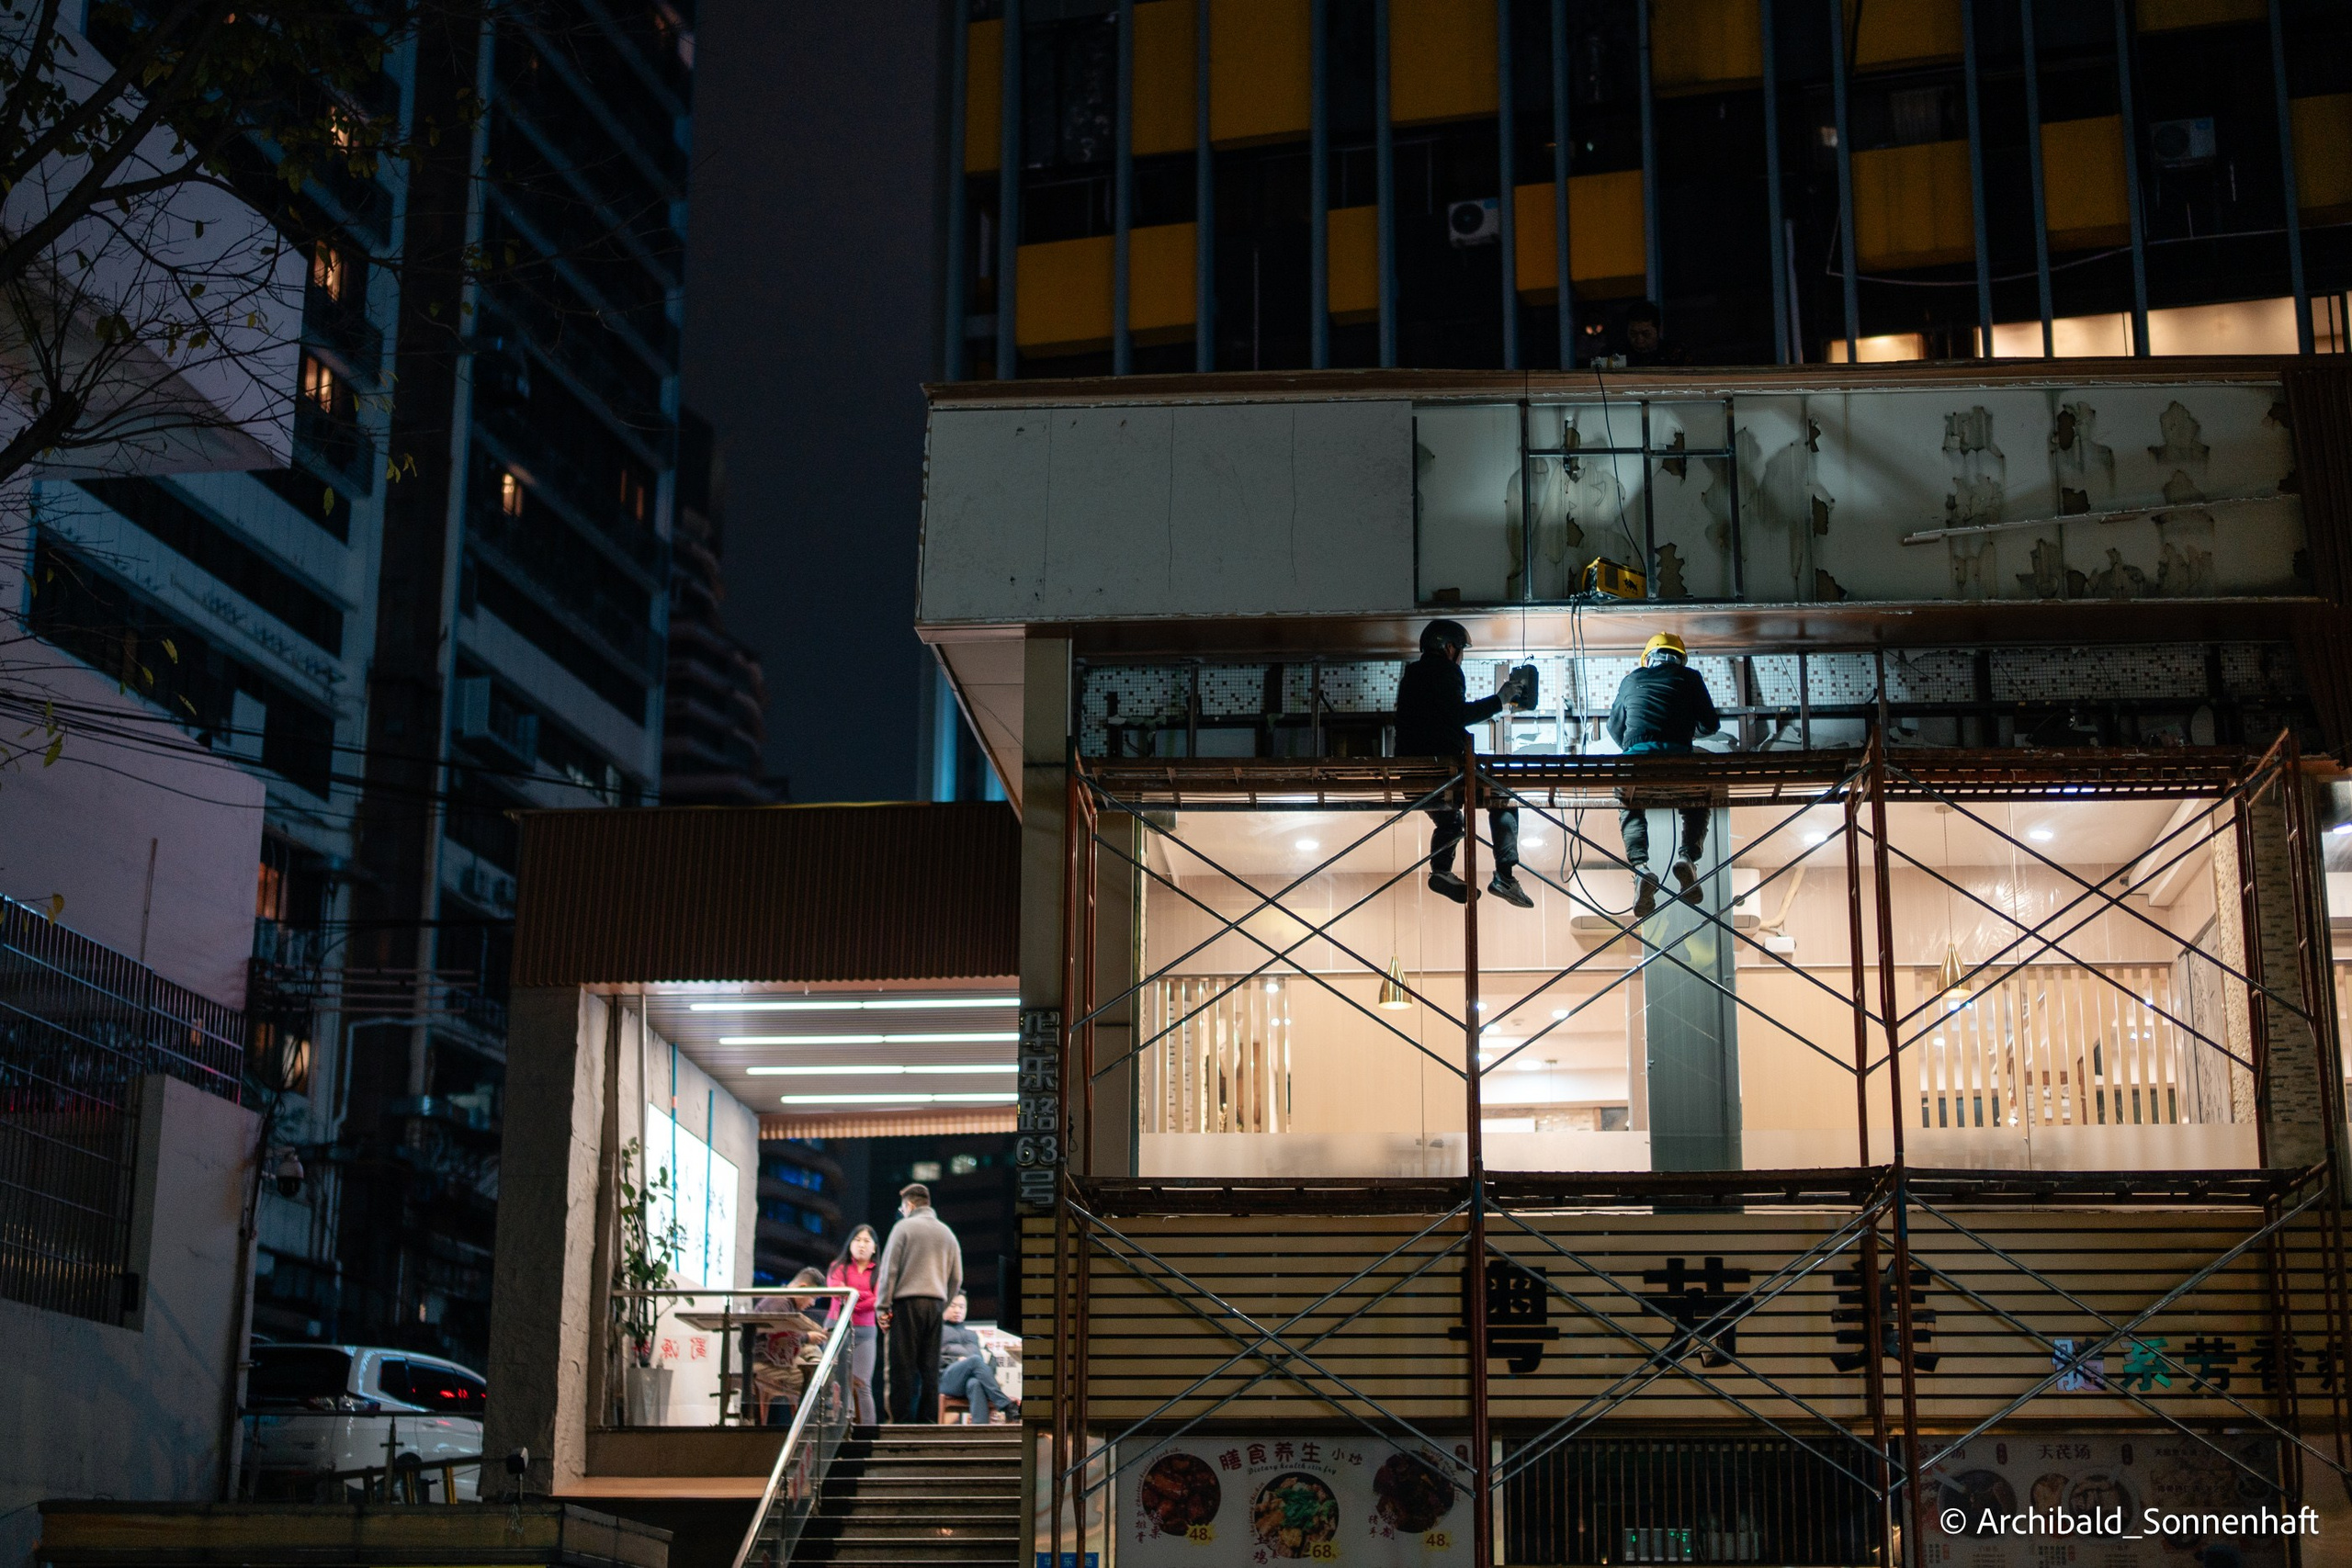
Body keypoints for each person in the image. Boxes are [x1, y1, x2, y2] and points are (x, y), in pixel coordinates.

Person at [1395, 618, 1536, 908]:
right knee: (1502, 796)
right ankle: (1505, 876)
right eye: (1460, 650)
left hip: (1410, 775)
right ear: (1448, 647)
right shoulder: (1446, 671)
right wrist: (1501, 699)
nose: (1460, 656)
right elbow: (1458, 715)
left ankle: (1442, 871)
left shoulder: (1410, 675)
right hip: (1442, 770)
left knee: (1451, 821)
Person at [1607, 631, 1722, 919]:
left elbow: (1614, 727)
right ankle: (1688, 858)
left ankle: (1641, 868)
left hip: (1637, 764)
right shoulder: (1691, 678)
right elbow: (1711, 724)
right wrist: (1684, 732)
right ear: (1680, 659)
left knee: (1629, 806)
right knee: (1698, 801)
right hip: (1679, 762)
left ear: (1648, 659)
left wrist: (1636, 745)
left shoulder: (1631, 679)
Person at [875, 1182, 963, 1424]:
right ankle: (928, 1422)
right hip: (935, 1304)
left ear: (910, 1204)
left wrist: (882, 1307)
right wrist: (942, 1305)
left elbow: (889, 1271)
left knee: (901, 1367)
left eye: (903, 1207)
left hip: (906, 1303)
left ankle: (899, 1422)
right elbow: (957, 1278)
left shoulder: (903, 1228)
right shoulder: (947, 1234)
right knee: (929, 1368)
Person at [749, 1267, 826, 1427]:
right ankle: (808, 1428)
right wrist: (807, 1337)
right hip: (766, 1362)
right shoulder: (781, 1302)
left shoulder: (785, 1301)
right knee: (815, 1382)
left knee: (814, 1360)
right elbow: (783, 1339)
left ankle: (821, 1371)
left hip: (774, 1358)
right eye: (813, 1297)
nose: (812, 1303)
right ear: (803, 1288)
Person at [824, 1224, 882, 1425]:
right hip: (836, 1328)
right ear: (850, 1244)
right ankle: (837, 1428)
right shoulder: (837, 1267)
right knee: (835, 1381)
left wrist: (853, 1296)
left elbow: (879, 1300)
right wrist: (865, 1296)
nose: (862, 1245)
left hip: (865, 1332)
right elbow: (837, 1293)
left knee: (862, 1383)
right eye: (857, 1240)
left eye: (867, 1241)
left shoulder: (879, 1272)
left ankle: (868, 1432)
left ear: (874, 1247)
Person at [937, 1292, 1014, 1425]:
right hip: (946, 1379)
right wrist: (956, 1361)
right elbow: (930, 1359)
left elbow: (989, 1360)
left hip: (970, 1378)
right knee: (974, 1360)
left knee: (975, 1384)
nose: (957, 1310)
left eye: (962, 1307)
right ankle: (1006, 1405)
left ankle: (980, 1432)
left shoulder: (973, 1335)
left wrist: (987, 1371)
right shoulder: (936, 1331)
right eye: (953, 1306)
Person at [1623, 300, 1690, 367]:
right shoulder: (1618, 354)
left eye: (1646, 334)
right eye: (1633, 334)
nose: (1640, 340)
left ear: (1659, 329)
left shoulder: (1674, 353)